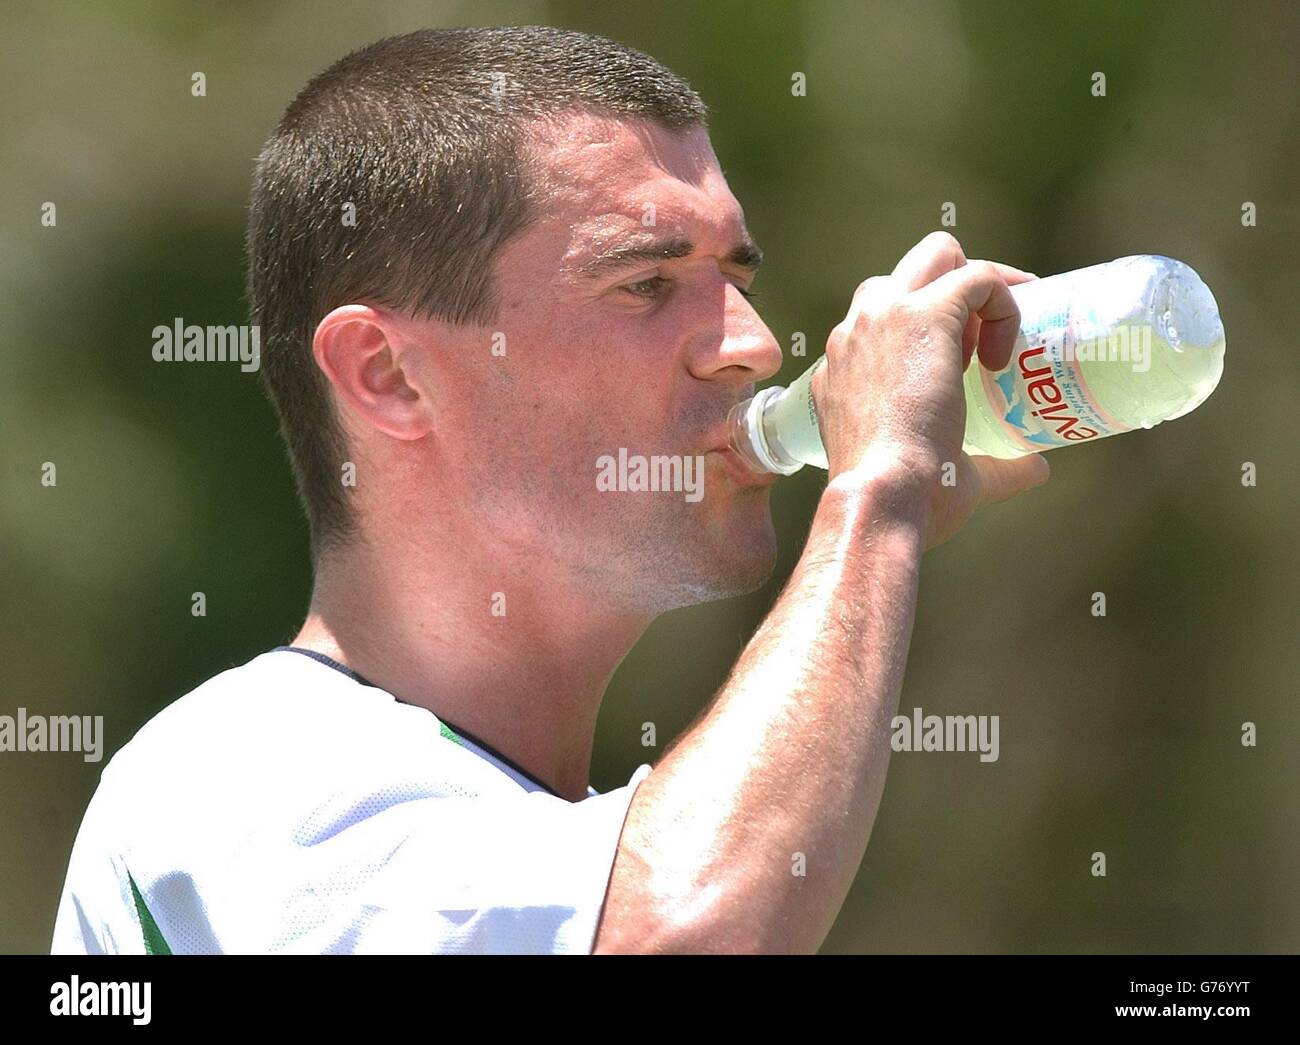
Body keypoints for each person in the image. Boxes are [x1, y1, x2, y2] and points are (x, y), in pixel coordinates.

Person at [51, 25, 1048, 955]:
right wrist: (877, 494)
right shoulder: (244, 774)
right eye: (645, 286)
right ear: (388, 375)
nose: (751, 345)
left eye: (734, 279)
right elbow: (678, 935)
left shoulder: (522, 828)